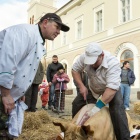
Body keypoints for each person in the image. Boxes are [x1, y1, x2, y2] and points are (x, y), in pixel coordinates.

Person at [0, 12, 70, 139]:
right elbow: (7, 63)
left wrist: (19, 93)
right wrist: (6, 94)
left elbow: (24, 69)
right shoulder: (24, 33)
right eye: (57, 27)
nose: (59, 32)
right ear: (45, 23)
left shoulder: (37, 40)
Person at [72, 42, 130, 140]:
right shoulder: (83, 57)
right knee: (77, 104)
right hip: (92, 87)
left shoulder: (112, 63)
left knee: (117, 110)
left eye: (95, 61)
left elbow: (111, 90)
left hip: (110, 89)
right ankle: (75, 132)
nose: (92, 64)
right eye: (90, 62)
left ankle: (123, 138)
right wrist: (81, 86)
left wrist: (96, 108)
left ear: (102, 55)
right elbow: (75, 70)